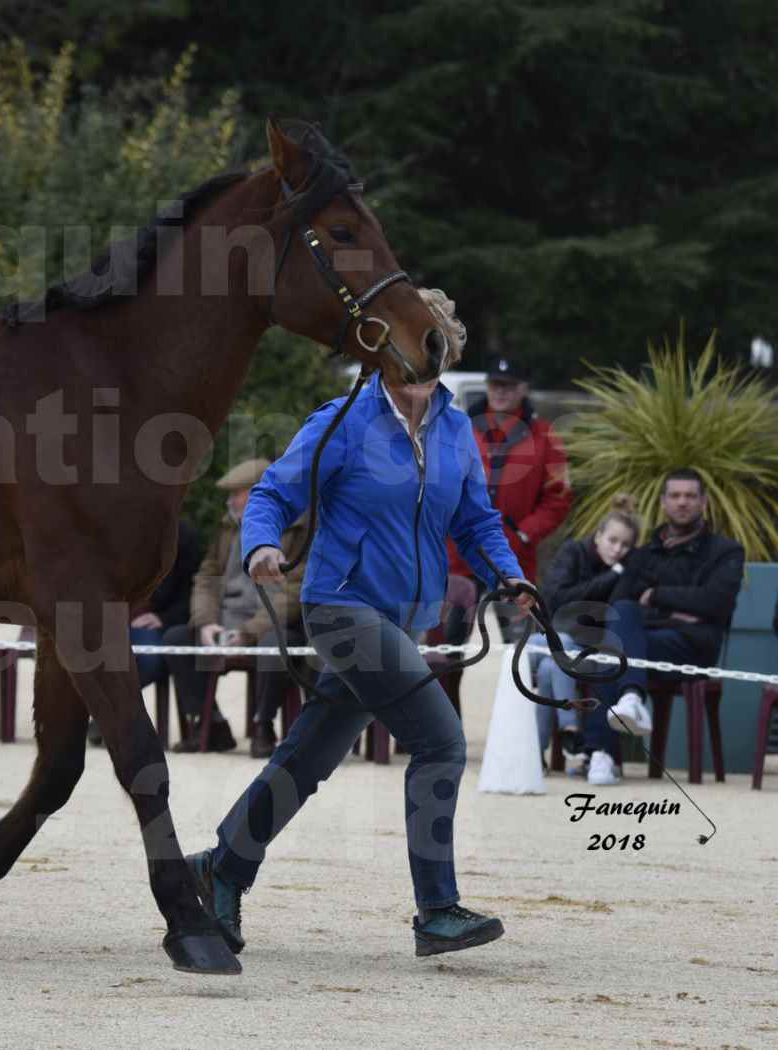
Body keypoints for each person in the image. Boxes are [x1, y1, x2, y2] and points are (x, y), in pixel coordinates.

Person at [187, 288, 537, 960]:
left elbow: (475, 518)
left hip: (401, 619)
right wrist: (261, 543)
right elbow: (273, 491)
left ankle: (222, 867)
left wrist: (507, 574)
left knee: (306, 759)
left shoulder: (456, 429)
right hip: (340, 607)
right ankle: (436, 909)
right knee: (439, 743)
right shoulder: (343, 419)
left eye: (431, 337)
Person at [577, 470, 745, 786]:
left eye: (690, 496)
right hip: (646, 642)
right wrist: (678, 611)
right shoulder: (644, 554)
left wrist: (655, 596)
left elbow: (716, 603)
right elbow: (620, 602)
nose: (683, 503)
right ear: (664, 502)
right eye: (675, 496)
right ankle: (627, 705)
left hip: (692, 648)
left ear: (703, 503)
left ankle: (603, 751)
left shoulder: (725, 551)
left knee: (614, 647)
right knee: (621, 621)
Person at [163, 459, 306, 755]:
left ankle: (263, 725)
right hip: (225, 621)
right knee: (177, 639)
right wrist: (205, 623)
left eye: (235, 494)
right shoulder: (227, 527)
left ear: (258, 494)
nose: (229, 501)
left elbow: (294, 591)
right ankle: (211, 724)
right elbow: (207, 577)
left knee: (274, 645)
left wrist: (248, 632)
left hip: (271, 625)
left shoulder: (298, 528)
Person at [448, 357, 572, 632]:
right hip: (460, 556)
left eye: (509, 386)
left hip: (514, 558)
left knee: (514, 644)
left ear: (524, 388)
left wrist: (524, 534)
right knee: (447, 643)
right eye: (495, 385)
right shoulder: (459, 428)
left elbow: (558, 497)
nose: (501, 392)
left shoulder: (546, 437)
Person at [533, 495, 640, 768]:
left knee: (549, 668)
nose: (617, 550)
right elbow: (557, 599)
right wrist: (611, 575)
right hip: (552, 638)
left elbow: (611, 616)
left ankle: (535, 754)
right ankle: (569, 730)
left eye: (625, 545)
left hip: (585, 652)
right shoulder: (574, 552)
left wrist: (616, 575)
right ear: (598, 535)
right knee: (562, 644)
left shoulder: (624, 573)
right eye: (612, 540)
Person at [89, 516, 201, 747]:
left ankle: (108, 716)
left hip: (151, 621)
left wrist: (163, 618)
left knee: (150, 660)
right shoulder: (111, 532)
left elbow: (192, 593)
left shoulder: (184, 536)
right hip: (107, 618)